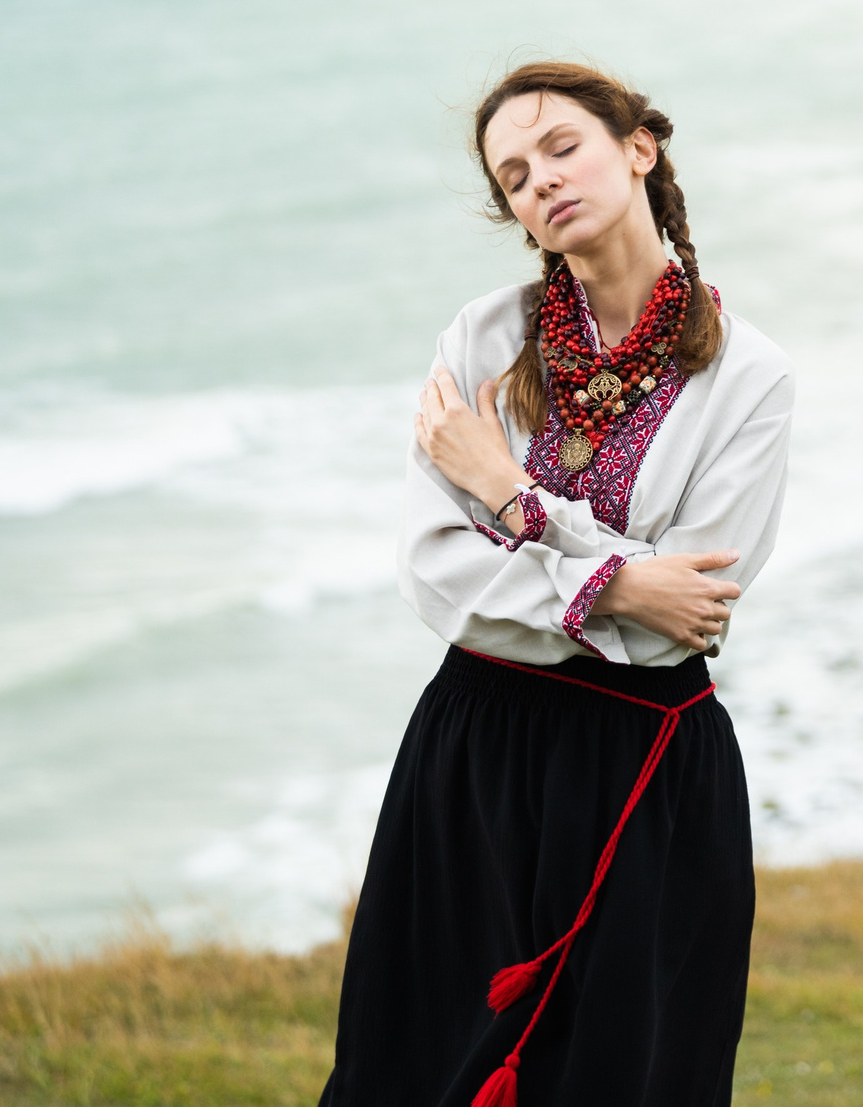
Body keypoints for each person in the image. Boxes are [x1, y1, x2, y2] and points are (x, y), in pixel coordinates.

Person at [319, 61, 792, 1107]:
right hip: (473, 752)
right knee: (418, 1058)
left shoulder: (749, 376)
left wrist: (512, 496)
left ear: (638, 146)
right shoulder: (481, 337)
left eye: (561, 147)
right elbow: (438, 571)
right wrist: (618, 585)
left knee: (618, 1069)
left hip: (646, 762)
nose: (541, 180)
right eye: (514, 175)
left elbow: (686, 621)